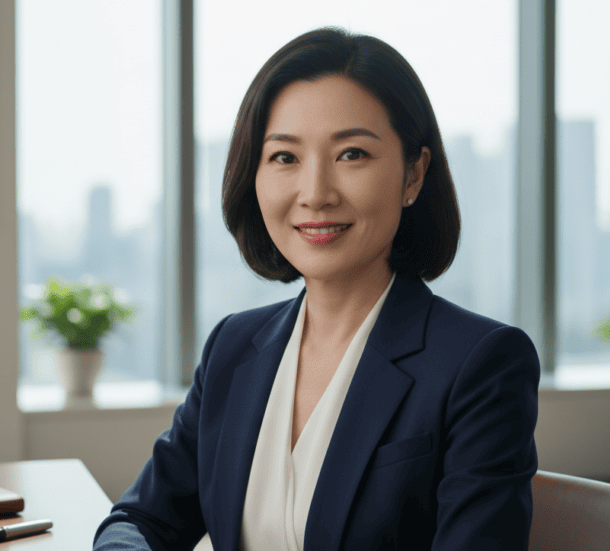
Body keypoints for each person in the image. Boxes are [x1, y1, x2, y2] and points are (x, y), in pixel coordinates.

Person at [94, 27, 540, 551]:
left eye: (352, 154)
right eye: (285, 157)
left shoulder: (481, 364)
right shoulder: (232, 348)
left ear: (414, 175)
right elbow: (139, 519)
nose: (316, 194)